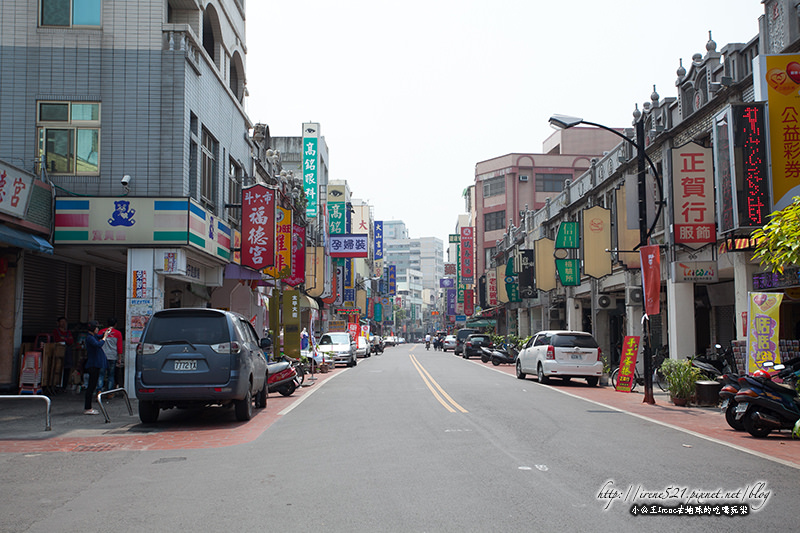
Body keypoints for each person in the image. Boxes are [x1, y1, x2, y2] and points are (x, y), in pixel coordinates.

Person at [83, 320, 108, 415]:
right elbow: (99, 344)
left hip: (95, 365)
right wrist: (104, 338)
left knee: (92, 386)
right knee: (91, 387)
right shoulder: (89, 338)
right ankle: (88, 408)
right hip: (92, 365)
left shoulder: (92, 336)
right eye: (96, 328)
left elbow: (99, 336)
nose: (98, 329)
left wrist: (105, 333)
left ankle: (89, 407)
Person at [99, 317, 123, 392]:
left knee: (101, 375)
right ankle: (109, 392)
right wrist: (119, 358)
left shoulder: (101, 332)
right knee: (111, 375)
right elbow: (119, 347)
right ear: (116, 324)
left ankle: (99, 390)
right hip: (112, 356)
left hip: (102, 356)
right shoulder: (118, 333)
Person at [51, 316, 75, 388]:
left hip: (67, 352)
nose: (63, 324)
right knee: (58, 368)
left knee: (67, 369)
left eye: (65, 322)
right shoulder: (56, 331)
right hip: (58, 352)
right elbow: (57, 339)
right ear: (58, 323)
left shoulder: (68, 332)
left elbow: (71, 341)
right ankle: (56, 384)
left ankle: (64, 385)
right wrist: (66, 339)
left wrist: (64, 339)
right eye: (62, 322)